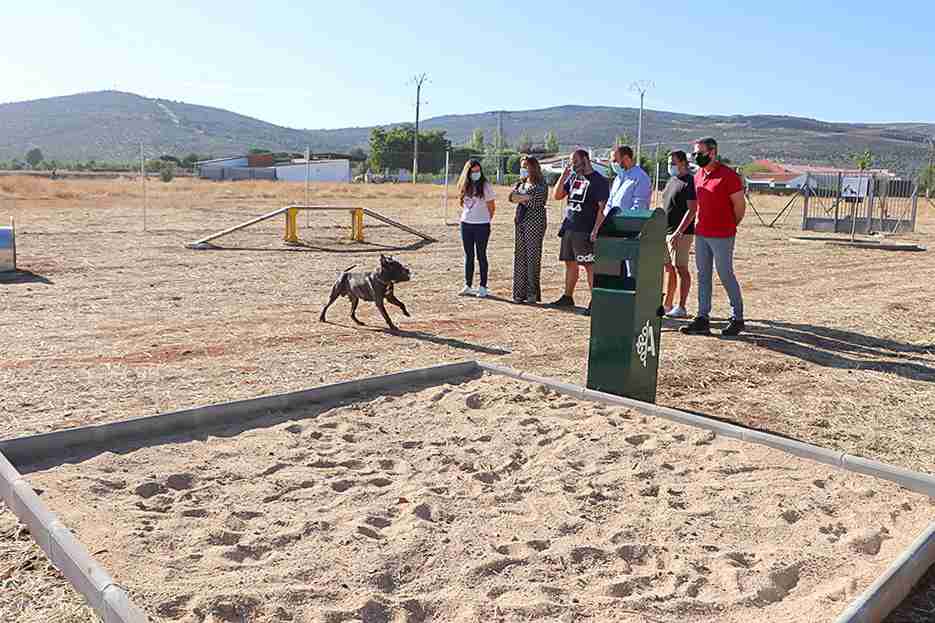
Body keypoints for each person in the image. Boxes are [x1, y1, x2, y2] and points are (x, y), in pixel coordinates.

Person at [680, 138, 746, 336]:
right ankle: (702, 317)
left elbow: (739, 207)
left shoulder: (728, 176)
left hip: (723, 235)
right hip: (702, 233)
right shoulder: (698, 175)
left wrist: (730, 225)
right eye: (694, 153)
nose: (695, 157)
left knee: (725, 274)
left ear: (712, 152)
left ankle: (737, 317)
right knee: (703, 275)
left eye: (699, 153)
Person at [551, 149, 610, 315]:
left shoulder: (599, 181)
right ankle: (567, 296)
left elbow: (602, 207)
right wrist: (564, 175)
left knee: (589, 266)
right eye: (571, 161)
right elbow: (557, 195)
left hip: (585, 230)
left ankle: (595, 301)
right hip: (570, 227)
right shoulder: (573, 177)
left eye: (575, 161)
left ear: (585, 159)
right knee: (570, 263)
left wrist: (596, 229)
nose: (573, 164)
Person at [661, 150, 697, 319]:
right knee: (669, 268)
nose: (670, 166)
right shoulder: (672, 180)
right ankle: (668, 304)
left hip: (681, 233)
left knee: (680, 267)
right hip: (666, 231)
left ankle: (681, 306)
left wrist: (679, 232)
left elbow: (692, 210)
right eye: (669, 163)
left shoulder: (689, 182)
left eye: (673, 163)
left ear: (683, 163)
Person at [509, 157, 549, 303]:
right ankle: (519, 293)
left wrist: (522, 197)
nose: (523, 169)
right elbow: (512, 197)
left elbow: (536, 200)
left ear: (533, 167)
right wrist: (523, 197)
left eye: (525, 166)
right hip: (521, 221)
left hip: (535, 223)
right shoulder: (521, 183)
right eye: (522, 166)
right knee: (520, 257)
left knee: (532, 258)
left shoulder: (541, 184)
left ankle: (531, 293)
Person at [457, 159, 496, 297]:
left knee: (481, 255)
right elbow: (462, 203)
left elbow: (492, 207)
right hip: (466, 224)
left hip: (482, 225)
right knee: (469, 255)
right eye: (473, 171)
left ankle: (483, 286)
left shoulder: (486, 186)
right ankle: (468, 285)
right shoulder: (464, 185)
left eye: (478, 171)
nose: (476, 174)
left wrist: (485, 220)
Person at [606, 145, 652, 216]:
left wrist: (622, 220)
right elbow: (610, 203)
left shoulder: (641, 178)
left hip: (628, 224)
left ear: (626, 158)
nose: (613, 164)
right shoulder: (618, 178)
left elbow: (639, 208)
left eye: (615, 161)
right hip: (613, 224)